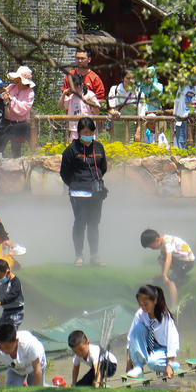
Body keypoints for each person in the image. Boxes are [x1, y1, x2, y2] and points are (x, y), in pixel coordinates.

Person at [59, 117, 107, 267]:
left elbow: (103, 167)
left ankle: (94, 256)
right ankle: (79, 256)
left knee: (94, 224)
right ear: (79, 132)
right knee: (80, 223)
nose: (88, 135)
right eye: (85, 132)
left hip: (96, 193)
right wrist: (75, 184)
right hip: (78, 193)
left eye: (90, 132)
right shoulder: (71, 150)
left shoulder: (99, 147)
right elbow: (64, 173)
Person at [126, 284, 179, 378]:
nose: (143, 307)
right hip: (150, 346)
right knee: (138, 328)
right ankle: (138, 367)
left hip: (163, 348)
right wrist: (129, 364)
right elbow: (131, 338)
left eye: (146, 304)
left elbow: (172, 340)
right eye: (140, 304)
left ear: (155, 301)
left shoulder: (165, 316)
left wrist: (169, 362)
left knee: (152, 363)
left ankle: (171, 366)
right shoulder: (140, 314)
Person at [140, 229, 195, 307]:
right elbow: (164, 259)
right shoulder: (161, 244)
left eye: (152, 247)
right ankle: (175, 275)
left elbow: (168, 259)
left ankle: (174, 306)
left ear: (157, 240)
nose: (152, 249)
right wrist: (163, 274)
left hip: (186, 262)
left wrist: (165, 275)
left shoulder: (167, 242)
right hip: (177, 261)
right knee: (160, 259)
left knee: (170, 281)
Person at [2, 65, 35, 157]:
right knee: (12, 148)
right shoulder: (12, 87)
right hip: (10, 122)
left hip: (22, 124)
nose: (16, 80)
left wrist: (11, 99)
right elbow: (3, 94)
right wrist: (4, 95)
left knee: (32, 146)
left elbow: (22, 109)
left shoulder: (30, 93)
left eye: (18, 78)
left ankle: (35, 159)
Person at [109, 69, 147, 143]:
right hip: (116, 128)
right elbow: (110, 108)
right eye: (128, 78)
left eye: (133, 78)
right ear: (122, 78)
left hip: (131, 129)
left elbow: (141, 116)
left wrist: (138, 132)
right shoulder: (114, 90)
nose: (130, 81)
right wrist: (113, 112)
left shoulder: (139, 94)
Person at [61, 73, 101, 141]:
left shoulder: (90, 95)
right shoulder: (71, 97)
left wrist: (89, 102)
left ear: (82, 85)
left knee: (89, 146)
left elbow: (97, 112)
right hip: (75, 129)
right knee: (74, 147)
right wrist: (64, 94)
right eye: (72, 87)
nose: (74, 89)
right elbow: (61, 106)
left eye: (76, 86)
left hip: (88, 129)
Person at [0, 259, 24, 329]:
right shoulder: (1, 281)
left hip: (16, 311)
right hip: (6, 311)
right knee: (0, 330)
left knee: (10, 331)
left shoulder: (15, 282)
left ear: (8, 272)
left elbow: (12, 295)